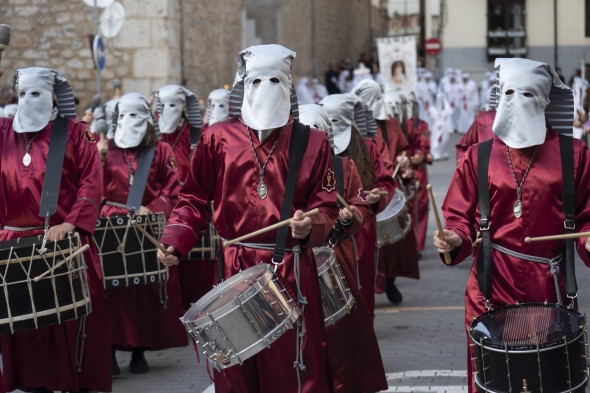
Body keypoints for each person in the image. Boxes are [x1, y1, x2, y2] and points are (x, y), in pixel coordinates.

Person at [158, 44, 339, 393]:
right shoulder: (217, 138)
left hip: (290, 266)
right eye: (257, 80)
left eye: (275, 79)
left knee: (294, 368)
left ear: (288, 85)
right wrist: (174, 240)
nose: (266, 88)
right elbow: (193, 198)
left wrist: (310, 226)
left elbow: (327, 207)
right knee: (238, 368)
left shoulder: (313, 141)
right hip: (234, 266)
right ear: (243, 84)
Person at [433, 58, 590, 393]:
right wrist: (453, 239)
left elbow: (587, 218)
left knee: (549, 382)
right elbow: (459, 217)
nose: (517, 101)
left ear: (545, 99)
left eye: (528, 94)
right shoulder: (478, 155)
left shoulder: (574, 153)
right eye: (509, 92)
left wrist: (588, 241)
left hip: (551, 289)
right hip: (490, 286)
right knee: (493, 383)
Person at [0, 67, 111, 393]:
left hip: (62, 243)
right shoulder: (3, 132)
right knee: (23, 331)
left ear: (53, 96)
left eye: (36, 93)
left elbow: (92, 183)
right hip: (12, 246)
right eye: (22, 93)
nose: (27, 101)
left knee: (69, 326)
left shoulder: (77, 133)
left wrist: (71, 222)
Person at [299, 104, 388, 393]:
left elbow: (360, 203)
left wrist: (351, 216)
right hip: (296, 263)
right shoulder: (284, 170)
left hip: (334, 259)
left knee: (339, 339)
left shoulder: (343, 166)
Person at [101, 93, 187, 376]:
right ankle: (111, 352)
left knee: (145, 292)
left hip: (149, 229)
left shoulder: (161, 151)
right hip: (112, 230)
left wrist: (153, 207)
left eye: (135, 115)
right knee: (113, 293)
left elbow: (173, 191)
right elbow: (92, 189)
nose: (130, 121)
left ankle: (139, 352)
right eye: (123, 115)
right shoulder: (106, 151)